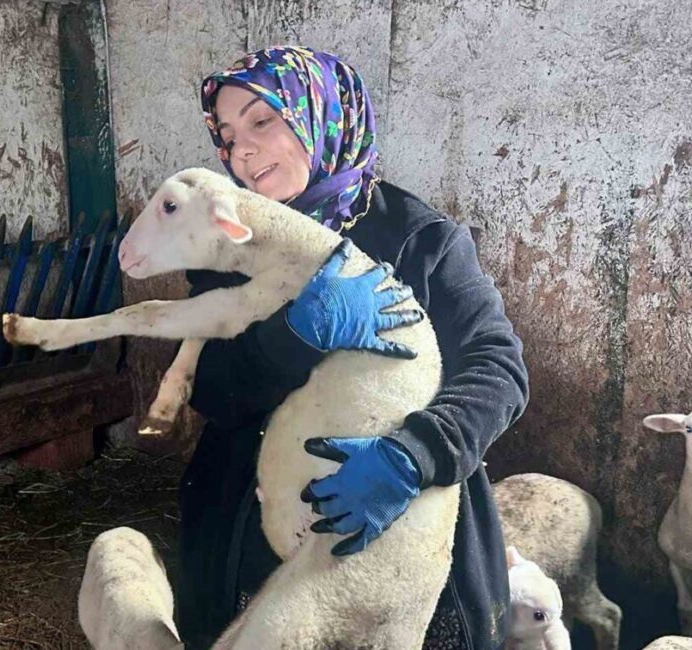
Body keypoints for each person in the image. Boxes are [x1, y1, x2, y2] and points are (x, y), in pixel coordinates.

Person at [175, 46, 529, 650]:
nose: (243, 151)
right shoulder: (230, 245)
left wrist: (414, 455)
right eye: (228, 137)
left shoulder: (421, 239)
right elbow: (209, 386)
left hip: (403, 519)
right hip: (258, 522)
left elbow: (498, 368)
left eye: (263, 121)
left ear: (324, 116)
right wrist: (289, 338)